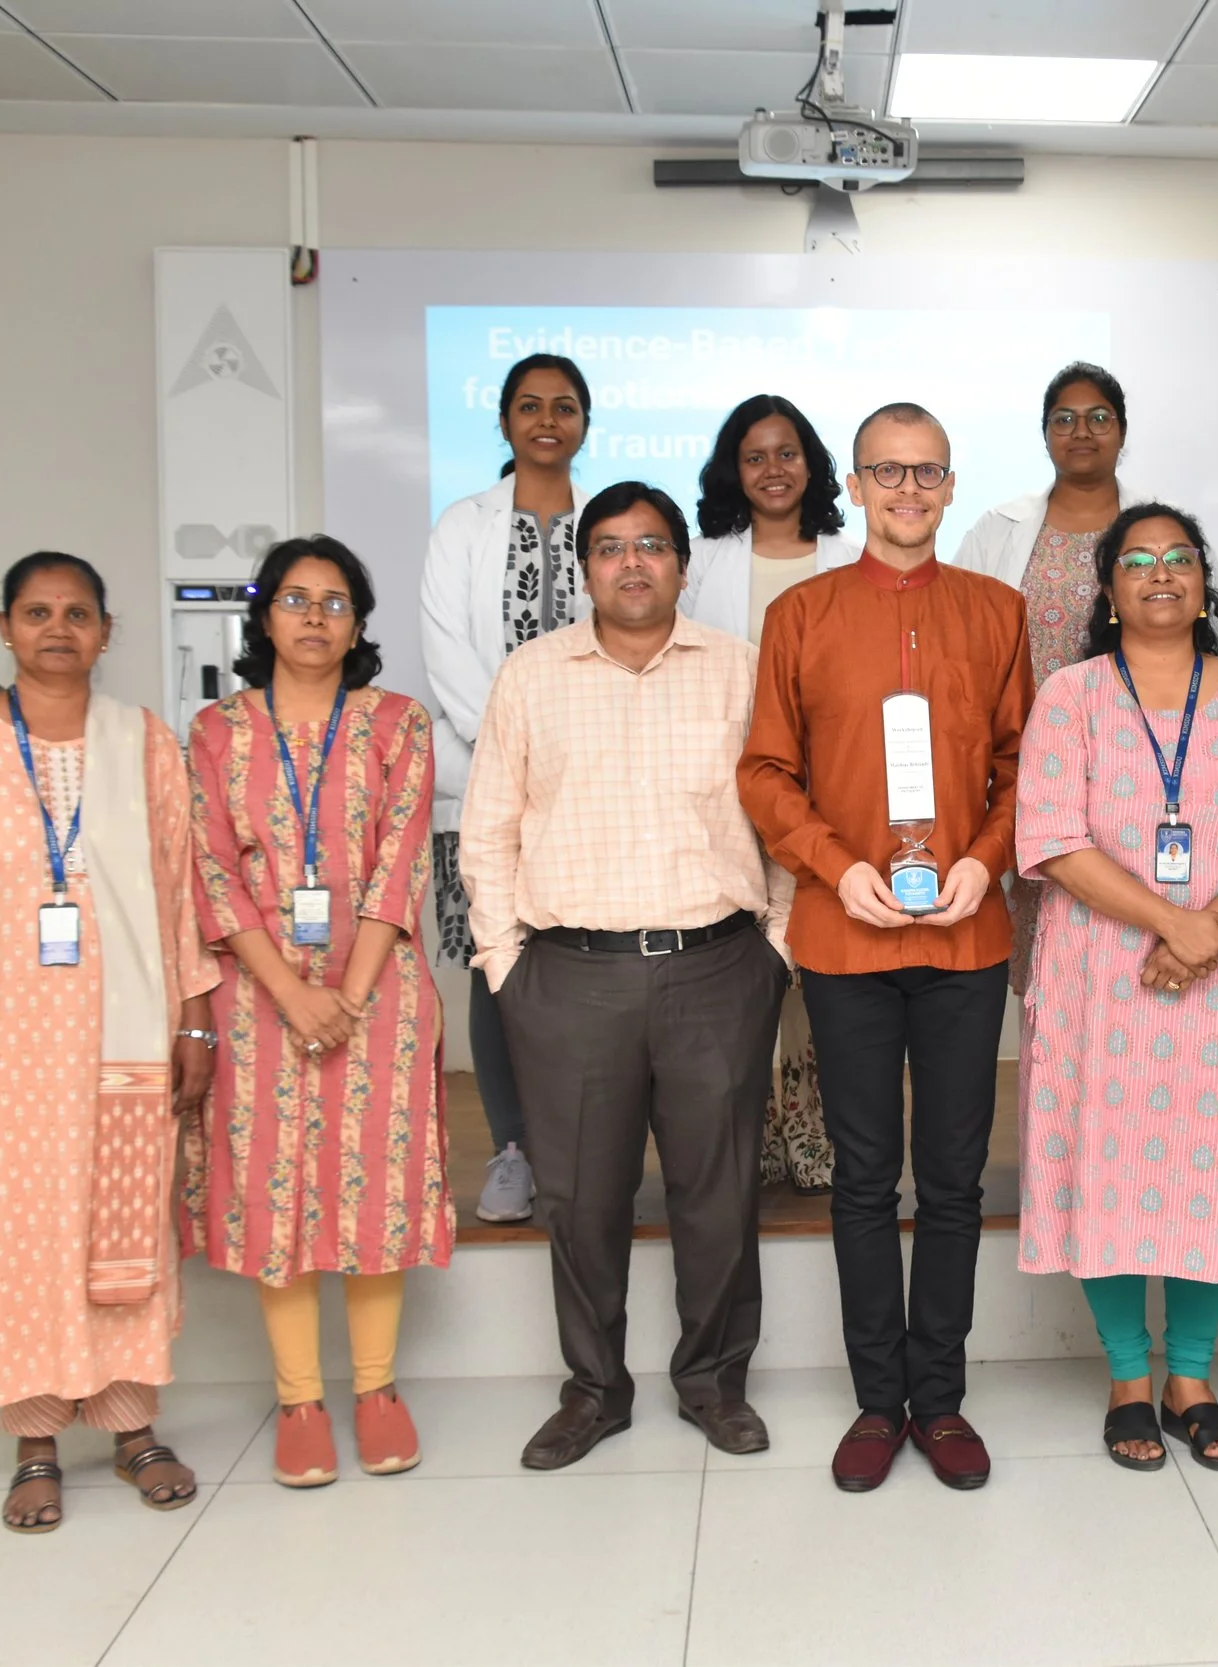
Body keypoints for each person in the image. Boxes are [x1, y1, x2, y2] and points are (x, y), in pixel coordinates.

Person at [0, 552, 218, 1533]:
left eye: (77, 612)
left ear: (106, 632)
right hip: (2, 1047)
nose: (57, 627)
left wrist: (193, 1017)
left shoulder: (143, 743)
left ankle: (130, 1423)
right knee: (20, 1233)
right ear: (5, 626)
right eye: (37, 611)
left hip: (127, 1035)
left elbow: (175, 892)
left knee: (126, 1225)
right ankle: (34, 1438)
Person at [463, 480, 793, 1470]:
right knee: (581, 1199)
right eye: (610, 547)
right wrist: (506, 964)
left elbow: (782, 822)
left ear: (683, 563)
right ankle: (595, 1388)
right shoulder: (529, 677)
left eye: (653, 544)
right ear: (585, 567)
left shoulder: (741, 671)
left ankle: (712, 1380)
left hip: (717, 969)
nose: (633, 562)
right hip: (569, 977)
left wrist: (775, 950)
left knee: (717, 1193)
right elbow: (487, 834)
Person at [738, 401, 1033, 1493]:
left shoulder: (997, 612)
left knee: (951, 1181)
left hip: (966, 935)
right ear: (854, 485)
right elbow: (764, 770)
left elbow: (1020, 768)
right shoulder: (803, 614)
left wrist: (985, 857)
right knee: (863, 1179)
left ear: (951, 486)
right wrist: (831, 861)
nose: (907, 492)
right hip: (844, 933)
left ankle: (940, 1398)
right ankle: (877, 1400)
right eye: (886, 473)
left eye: (927, 474)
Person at [1017, 503, 1218, 1473]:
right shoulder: (1070, 695)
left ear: (1202, 579)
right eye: (1136, 561)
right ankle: (1126, 1377)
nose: (1158, 574)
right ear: (1106, 590)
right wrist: (1172, 922)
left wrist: (1210, 924)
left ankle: (1192, 1375)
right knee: (1110, 1162)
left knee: (1207, 1161)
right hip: (1102, 976)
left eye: (1177, 558)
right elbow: (1053, 835)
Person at [188, 536, 449, 1488]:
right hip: (260, 997)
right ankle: (299, 1398)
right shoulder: (217, 731)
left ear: (358, 622)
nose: (312, 617)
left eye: (334, 602)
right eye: (295, 600)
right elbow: (213, 871)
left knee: (374, 1182)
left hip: (378, 990)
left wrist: (346, 987)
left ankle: (375, 1389)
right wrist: (291, 990)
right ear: (264, 617)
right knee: (275, 1187)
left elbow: (401, 861)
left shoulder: (397, 724)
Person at [420, 351, 594, 1223]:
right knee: (497, 970)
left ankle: (578, 1151)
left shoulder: (610, 522)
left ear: (586, 423)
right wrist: (515, 756)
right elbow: (448, 651)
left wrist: (572, 765)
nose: (547, 420)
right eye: (529, 405)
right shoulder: (463, 525)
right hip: (483, 783)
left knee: (578, 973)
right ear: (503, 421)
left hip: (591, 797)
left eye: (565, 406)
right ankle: (514, 1148)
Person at [685, 394, 859, 1195]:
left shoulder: (850, 554)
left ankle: (816, 1129)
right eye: (754, 456)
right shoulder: (703, 560)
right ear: (733, 468)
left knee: (816, 963)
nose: (773, 469)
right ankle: (752, 1130)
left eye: (787, 452)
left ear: (813, 463)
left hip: (826, 793)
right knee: (743, 966)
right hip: (730, 790)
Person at [954, 362, 1151, 1026]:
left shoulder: (1156, 528)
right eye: (1064, 418)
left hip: (1137, 765)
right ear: (1044, 435)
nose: (1082, 431)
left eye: (1099, 416)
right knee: (1049, 960)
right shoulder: (999, 527)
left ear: (1122, 430)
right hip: (1034, 767)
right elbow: (961, 643)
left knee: (1135, 935)